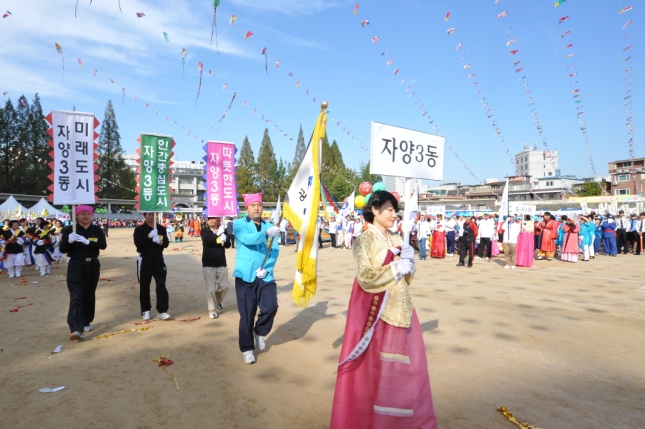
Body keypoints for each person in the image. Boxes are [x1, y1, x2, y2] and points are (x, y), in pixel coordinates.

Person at [330, 190, 437, 428]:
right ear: (374, 210)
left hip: (403, 309)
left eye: (394, 210)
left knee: (411, 370)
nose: (393, 214)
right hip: (378, 314)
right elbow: (366, 276)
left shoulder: (397, 239)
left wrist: (409, 263)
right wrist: (396, 267)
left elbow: (406, 278)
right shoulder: (365, 240)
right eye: (388, 209)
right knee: (379, 371)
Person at [232, 194, 280, 364]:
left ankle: (259, 332)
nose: (257, 208)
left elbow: (274, 251)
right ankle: (247, 349)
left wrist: (267, 269)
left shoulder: (270, 225)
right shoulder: (239, 224)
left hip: (265, 276)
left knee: (271, 307)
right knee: (247, 314)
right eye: (253, 205)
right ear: (247, 208)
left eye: (259, 204)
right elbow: (247, 239)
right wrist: (266, 233)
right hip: (246, 275)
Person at [60, 206, 107, 340]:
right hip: (75, 264)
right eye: (82, 214)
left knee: (89, 294)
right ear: (77, 216)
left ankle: (86, 321)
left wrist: (88, 242)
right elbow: (63, 249)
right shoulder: (70, 230)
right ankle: (75, 328)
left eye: (88, 214)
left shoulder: (96, 230)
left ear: (92, 215)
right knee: (76, 296)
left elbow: (102, 245)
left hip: (92, 264)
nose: (85, 216)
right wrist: (69, 241)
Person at [133, 213, 171, 321]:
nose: (151, 217)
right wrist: (149, 236)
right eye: (149, 215)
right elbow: (138, 244)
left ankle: (162, 310)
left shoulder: (161, 229)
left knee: (161, 284)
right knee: (144, 286)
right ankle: (146, 310)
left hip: (159, 259)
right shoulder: (139, 230)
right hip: (144, 259)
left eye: (153, 215)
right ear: (145, 216)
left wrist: (160, 242)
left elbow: (166, 243)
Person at [201, 216, 231, 319]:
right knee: (211, 289)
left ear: (218, 220)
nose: (211, 220)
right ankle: (212, 309)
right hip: (208, 263)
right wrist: (216, 234)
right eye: (209, 219)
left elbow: (227, 245)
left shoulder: (223, 229)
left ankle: (218, 301)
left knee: (225, 286)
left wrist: (225, 238)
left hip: (221, 262)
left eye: (213, 218)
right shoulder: (204, 231)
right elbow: (207, 241)